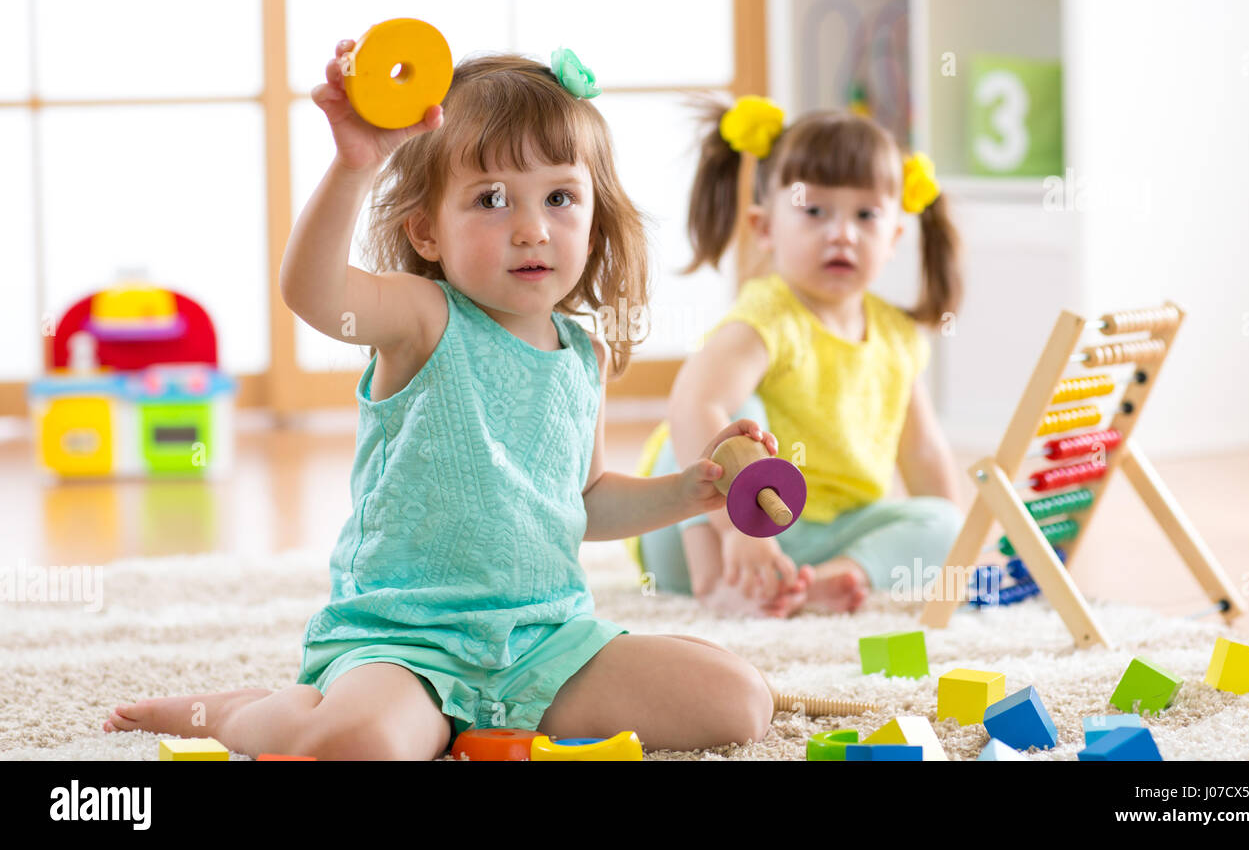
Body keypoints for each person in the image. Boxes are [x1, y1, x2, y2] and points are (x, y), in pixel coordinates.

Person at [103, 44, 775, 758]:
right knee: (355, 744)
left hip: (545, 644)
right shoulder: (423, 318)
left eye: (559, 198)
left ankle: (484, 723)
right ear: (426, 230)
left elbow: (585, 498)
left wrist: (690, 490)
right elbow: (313, 292)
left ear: (594, 219)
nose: (531, 228)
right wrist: (354, 167)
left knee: (739, 699)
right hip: (407, 644)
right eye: (492, 200)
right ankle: (244, 712)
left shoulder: (584, 355)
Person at [630, 96, 965, 618]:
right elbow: (691, 406)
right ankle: (719, 586)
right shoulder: (768, 315)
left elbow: (924, 457)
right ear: (765, 228)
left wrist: (956, 553)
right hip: (705, 529)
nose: (842, 233)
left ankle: (817, 584)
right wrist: (741, 525)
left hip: (811, 538)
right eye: (814, 211)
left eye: (866, 215)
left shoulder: (898, 338)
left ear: (895, 235)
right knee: (737, 423)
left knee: (945, 523)